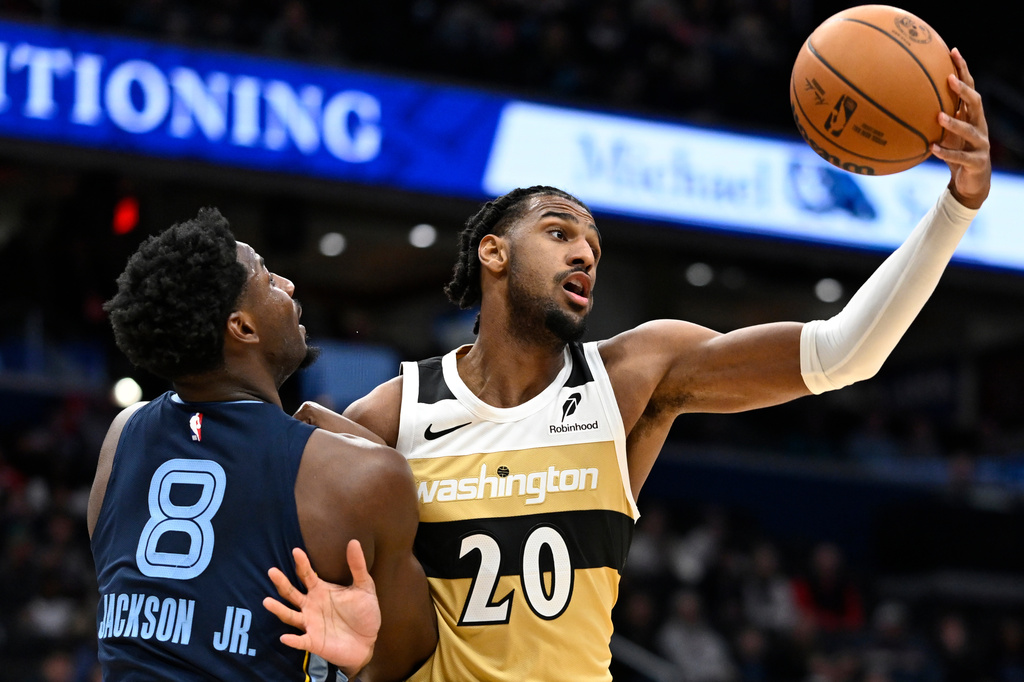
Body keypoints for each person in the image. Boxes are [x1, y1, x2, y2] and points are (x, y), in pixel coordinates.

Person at [274, 48, 991, 681]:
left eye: (592, 245)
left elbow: (843, 355)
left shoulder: (632, 376)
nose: (583, 252)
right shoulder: (396, 410)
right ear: (492, 251)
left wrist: (957, 206)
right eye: (558, 232)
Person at [88, 209, 436, 681]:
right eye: (268, 279)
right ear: (243, 328)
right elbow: (407, 658)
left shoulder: (122, 436)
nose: (289, 285)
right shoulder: (358, 475)